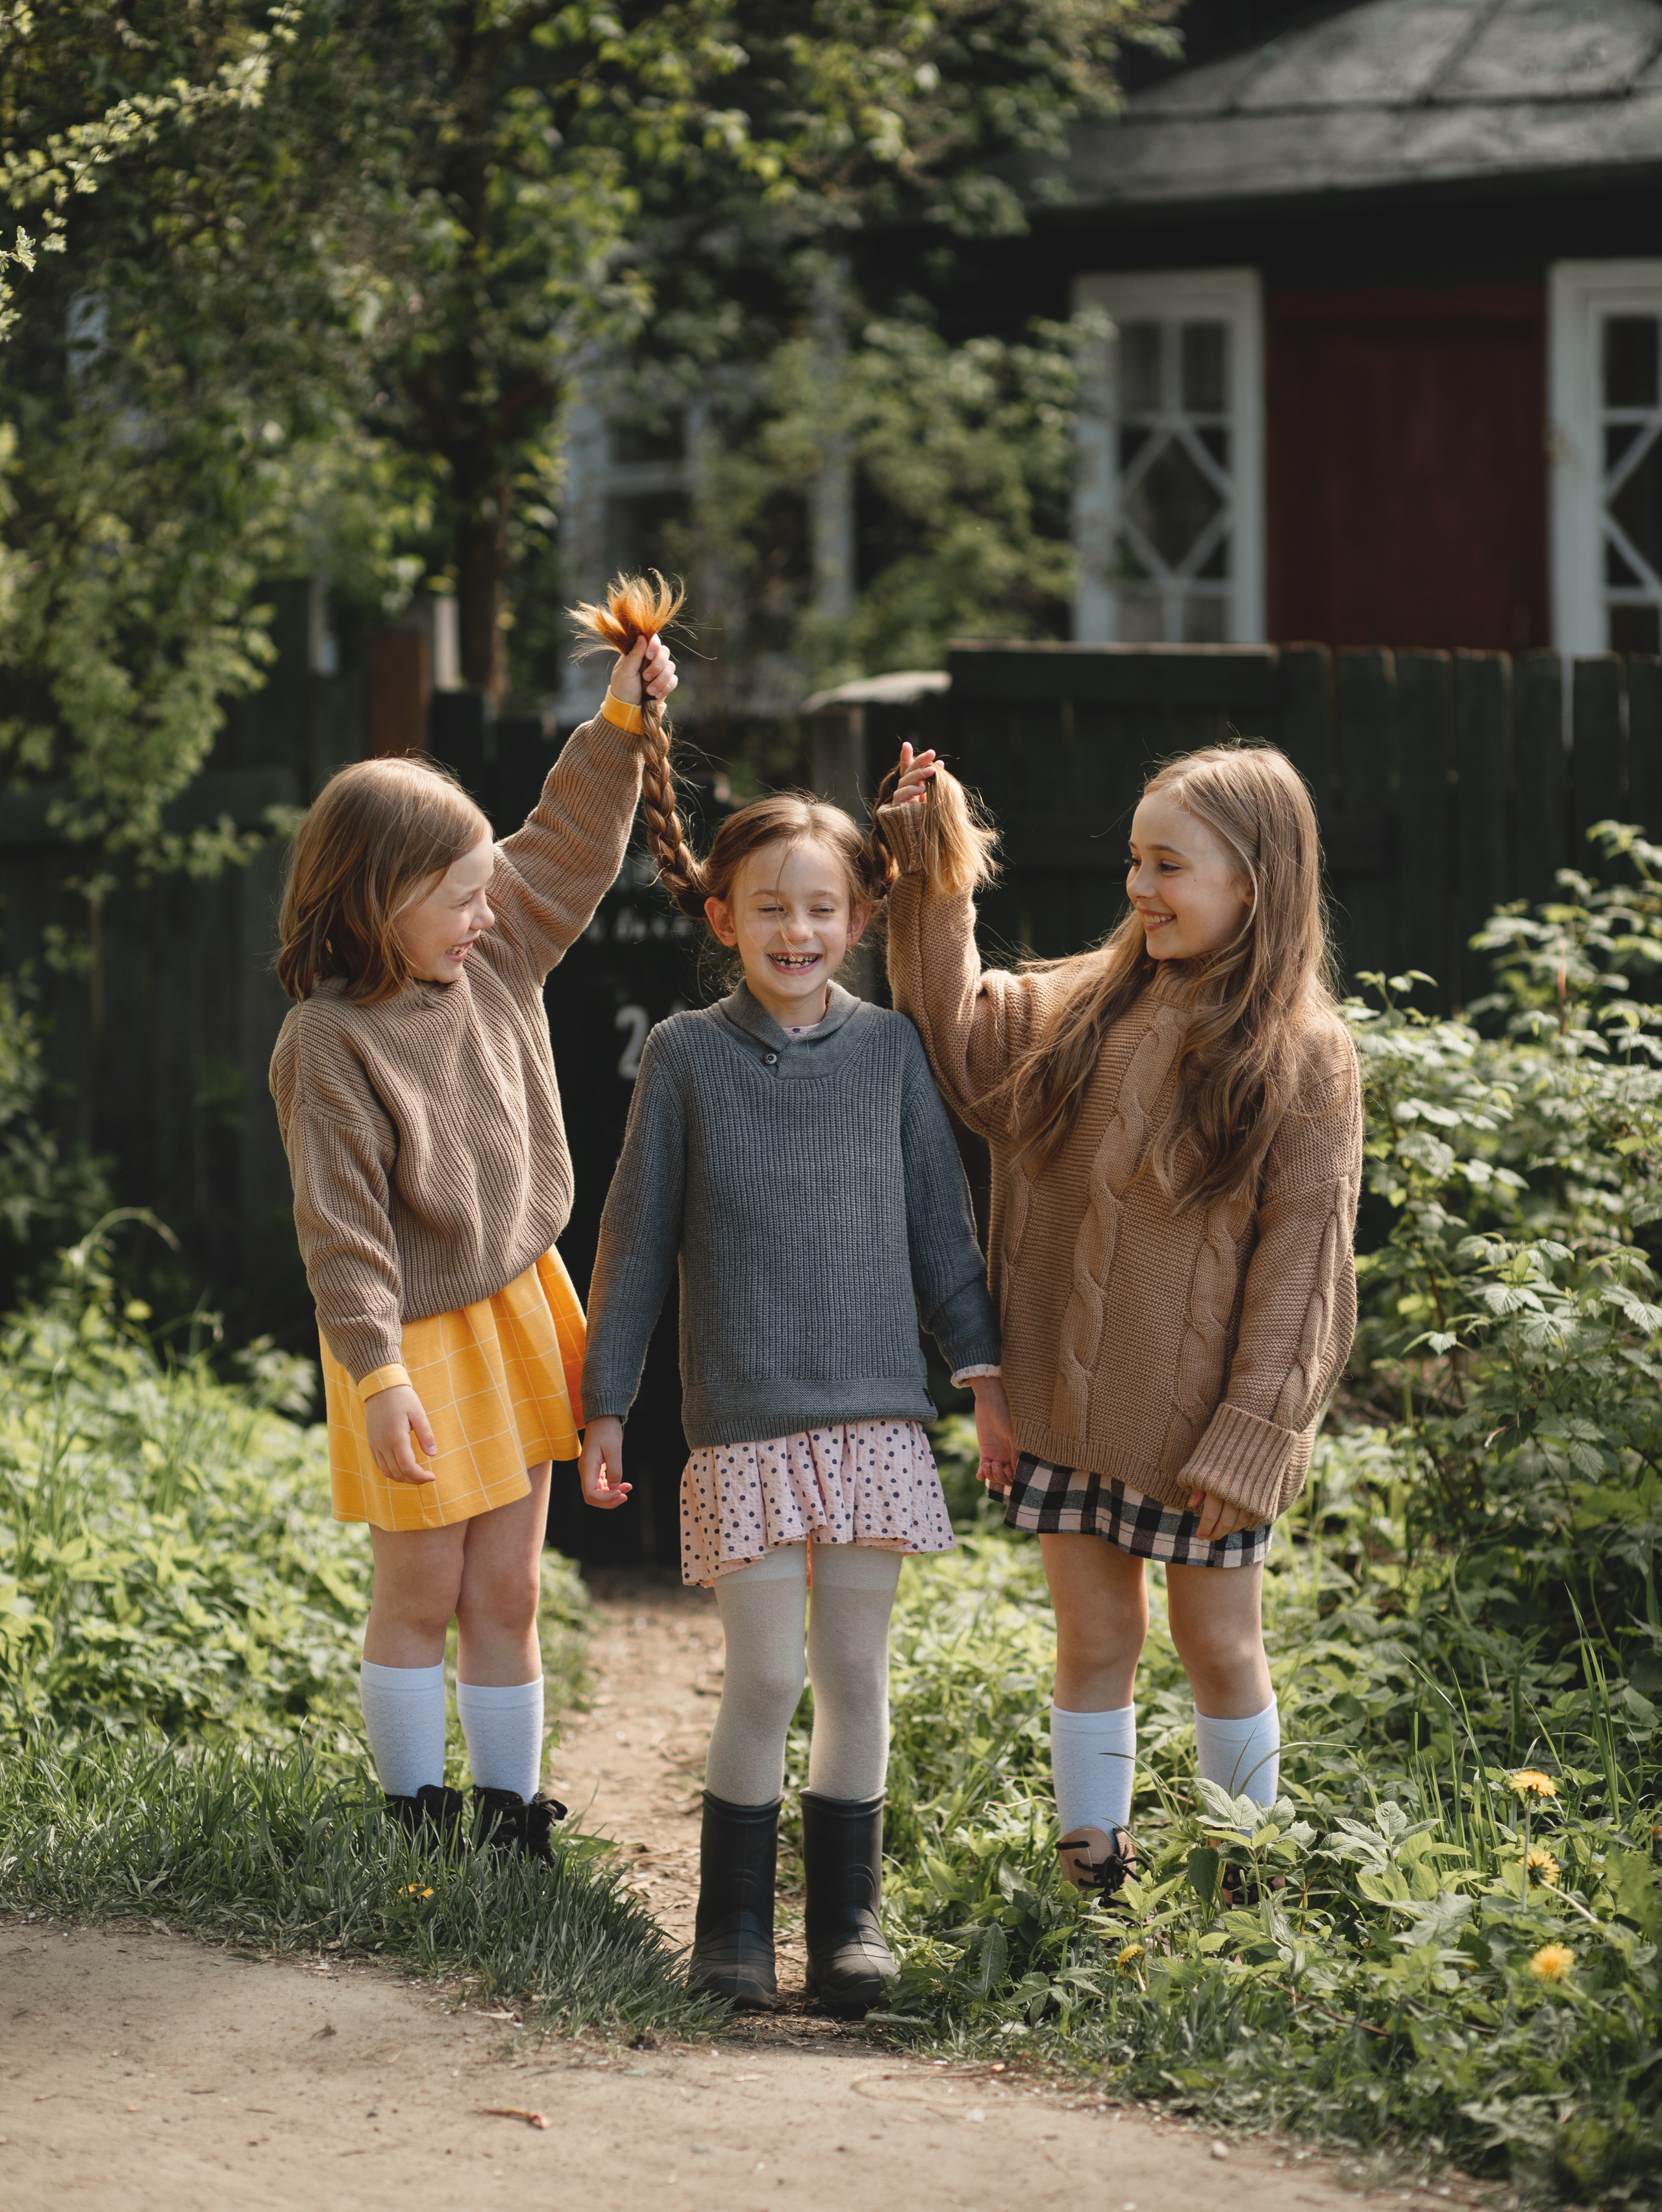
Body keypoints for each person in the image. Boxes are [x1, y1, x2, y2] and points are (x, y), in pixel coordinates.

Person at [876, 739, 1361, 1896]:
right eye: (1135, 862)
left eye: (1169, 865)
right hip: (1063, 1406)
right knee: (1095, 1644)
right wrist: (931, 863)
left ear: (1255, 881)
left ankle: (1240, 1880)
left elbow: (1304, 1270)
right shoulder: (1076, 1009)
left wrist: (1255, 1437)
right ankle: (1092, 1865)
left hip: (1201, 1434)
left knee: (1219, 1649)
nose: (1140, 887)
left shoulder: (1303, 1058)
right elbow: (947, 1030)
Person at [577, 779, 1015, 2013]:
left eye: (821, 908)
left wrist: (984, 1380)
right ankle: (729, 1933)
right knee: (767, 1677)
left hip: (877, 1422)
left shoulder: (891, 1055)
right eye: (769, 907)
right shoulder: (684, 1057)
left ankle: (848, 1932)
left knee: (857, 1675)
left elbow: (944, 1231)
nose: (796, 930)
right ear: (721, 918)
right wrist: (605, 1401)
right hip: (746, 1426)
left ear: (862, 916)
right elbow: (634, 1235)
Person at [269, 583, 678, 1859]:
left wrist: (619, 722)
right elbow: (342, 1235)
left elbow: (561, 843)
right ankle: (408, 1812)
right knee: (421, 1590)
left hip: (515, 1307)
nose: (486, 910)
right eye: (456, 893)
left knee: (505, 1587)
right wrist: (377, 1374)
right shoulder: (326, 1044)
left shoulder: (493, 951)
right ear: (371, 899)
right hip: (407, 1347)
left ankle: (510, 1814)